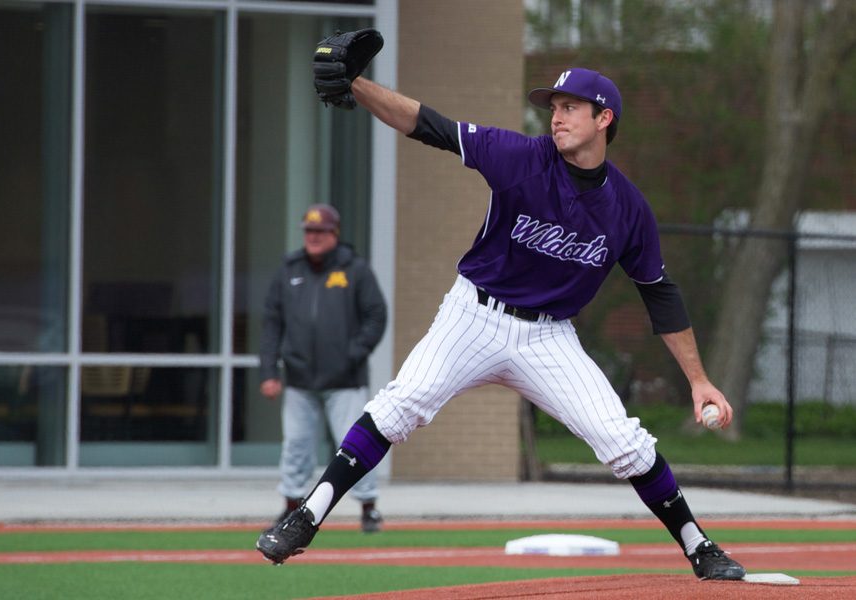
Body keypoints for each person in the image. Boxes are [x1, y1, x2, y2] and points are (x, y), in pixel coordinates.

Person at [257, 39, 746, 581]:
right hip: (474, 315)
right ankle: (306, 516)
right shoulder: (521, 158)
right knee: (402, 404)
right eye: (553, 107)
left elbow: (659, 291)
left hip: (548, 337)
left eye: (569, 108)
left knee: (623, 442)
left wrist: (699, 380)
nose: (556, 118)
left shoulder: (628, 208)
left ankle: (699, 546)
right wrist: (355, 85)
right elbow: (431, 125)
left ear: (604, 118)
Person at [259, 203, 387, 533]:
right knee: (296, 446)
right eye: (309, 231)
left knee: (356, 444)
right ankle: (290, 506)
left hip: (344, 379)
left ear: (334, 234)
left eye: (320, 232)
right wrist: (269, 372)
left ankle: (369, 507)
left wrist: (353, 353)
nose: (313, 237)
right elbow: (272, 323)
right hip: (300, 379)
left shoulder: (354, 269)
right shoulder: (289, 270)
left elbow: (376, 316)